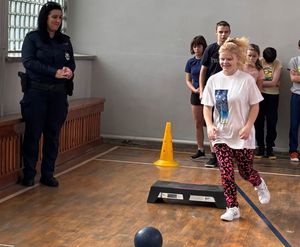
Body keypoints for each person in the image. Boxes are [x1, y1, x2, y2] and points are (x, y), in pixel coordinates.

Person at [201, 37, 270, 221]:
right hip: (221, 135)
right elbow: (207, 106)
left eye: (229, 59)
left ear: (237, 59)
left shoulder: (246, 80)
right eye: (222, 59)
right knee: (226, 172)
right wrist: (210, 125)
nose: (224, 62)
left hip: (242, 134)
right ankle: (232, 207)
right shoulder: (214, 80)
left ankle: (259, 183)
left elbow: (255, 106)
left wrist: (248, 126)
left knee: (246, 171)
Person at [20, 2, 75, 187]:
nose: (58, 21)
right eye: (54, 17)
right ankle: (29, 174)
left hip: (58, 95)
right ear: (45, 17)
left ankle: (48, 174)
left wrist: (69, 71)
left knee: (53, 136)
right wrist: (54, 72)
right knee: (33, 134)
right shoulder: (33, 38)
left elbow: (71, 63)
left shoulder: (65, 40)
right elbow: (29, 62)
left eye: (60, 17)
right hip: (37, 94)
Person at [199, 20, 231, 167]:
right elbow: (203, 70)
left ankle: (225, 154)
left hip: (226, 93)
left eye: (226, 32)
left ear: (229, 32)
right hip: (212, 91)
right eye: (221, 32)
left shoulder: (232, 49)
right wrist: (202, 89)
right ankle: (214, 155)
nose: (223, 34)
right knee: (211, 124)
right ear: (216, 32)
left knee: (224, 122)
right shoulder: (210, 49)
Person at [254, 47, 282, 159]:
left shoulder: (278, 63)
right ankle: (260, 148)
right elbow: (255, 80)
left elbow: (275, 81)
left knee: (272, 122)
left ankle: (269, 149)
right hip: (260, 94)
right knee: (258, 122)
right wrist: (271, 83)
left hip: (273, 96)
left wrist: (261, 82)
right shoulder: (259, 61)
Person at [185, 35, 207, 159]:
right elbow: (188, 80)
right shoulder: (190, 62)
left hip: (207, 95)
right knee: (198, 123)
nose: (197, 48)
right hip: (195, 95)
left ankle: (215, 152)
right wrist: (195, 90)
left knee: (210, 123)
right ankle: (200, 149)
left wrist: (203, 90)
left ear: (204, 47)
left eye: (199, 46)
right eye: (194, 46)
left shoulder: (208, 60)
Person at [288, 40, 300, 162]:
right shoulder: (294, 61)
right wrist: (296, 77)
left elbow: (298, 77)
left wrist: (298, 76)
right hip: (297, 95)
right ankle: (293, 151)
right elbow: (293, 78)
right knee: (294, 124)